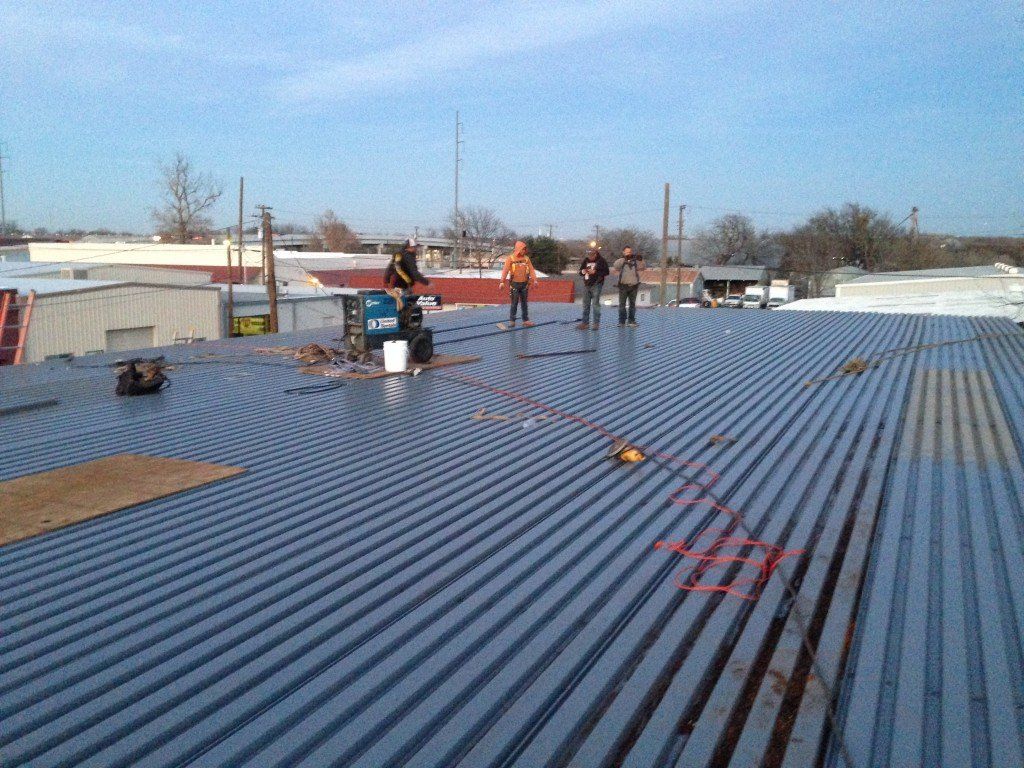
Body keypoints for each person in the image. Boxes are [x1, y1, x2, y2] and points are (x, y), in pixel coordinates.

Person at [499, 240, 538, 327]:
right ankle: (512, 320)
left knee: (524, 303)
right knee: (514, 303)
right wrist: (502, 282)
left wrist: (535, 280)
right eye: (523, 249)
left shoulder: (526, 259)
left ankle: (525, 320)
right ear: (518, 249)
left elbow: (531, 269)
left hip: (525, 285)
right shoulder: (511, 258)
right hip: (514, 285)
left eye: (525, 249)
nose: (524, 251)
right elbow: (505, 270)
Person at [577, 246, 609, 329]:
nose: (590, 257)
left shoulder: (601, 261)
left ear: (596, 254)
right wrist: (583, 271)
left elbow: (606, 272)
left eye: (592, 255)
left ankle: (596, 323)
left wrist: (595, 271)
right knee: (586, 305)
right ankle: (585, 323)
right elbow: (580, 271)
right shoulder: (586, 260)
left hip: (596, 284)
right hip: (587, 284)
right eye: (589, 255)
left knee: (595, 304)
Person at [612, 246, 644, 327]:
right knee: (622, 305)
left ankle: (631, 321)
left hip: (634, 286)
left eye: (630, 252)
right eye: (627, 252)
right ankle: (622, 321)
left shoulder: (635, 261)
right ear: (623, 252)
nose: (629, 254)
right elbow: (615, 266)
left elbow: (642, 267)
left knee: (632, 305)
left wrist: (640, 260)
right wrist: (624, 259)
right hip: (623, 286)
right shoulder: (621, 261)